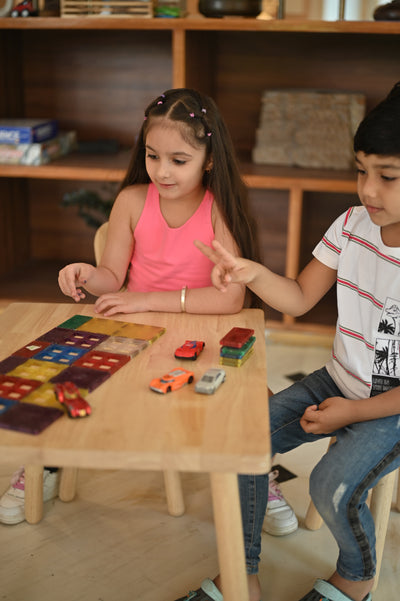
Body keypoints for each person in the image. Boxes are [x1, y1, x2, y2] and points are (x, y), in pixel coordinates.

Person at [1, 89, 294, 527]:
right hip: (133, 332)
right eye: (153, 156)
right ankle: (43, 464)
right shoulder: (132, 201)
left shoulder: (219, 209)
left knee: (249, 403)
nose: (161, 171)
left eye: (179, 160)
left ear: (209, 159)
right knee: (61, 378)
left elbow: (230, 298)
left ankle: (256, 477)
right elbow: (110, 277)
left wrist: (147, 299)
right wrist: (86, 273)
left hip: (202, 332)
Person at [175, 81, 400, 601]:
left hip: (390, 407)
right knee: (239, 444)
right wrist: (251, 272)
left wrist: (350, 413)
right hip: (339, 379)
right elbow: (297, 298)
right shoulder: (351, 225)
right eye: (362, 171)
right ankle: (242, 576)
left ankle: (355, 578)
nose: (368, 190)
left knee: (329, 486)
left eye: (387, 177)